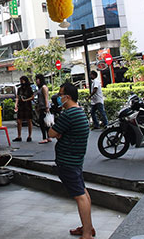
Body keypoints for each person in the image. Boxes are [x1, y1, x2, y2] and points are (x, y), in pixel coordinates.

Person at [48, 82, 94, 239]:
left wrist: (57, 132)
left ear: (67, 97)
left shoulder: (68, 115)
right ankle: (88, 227)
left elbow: (51, 133)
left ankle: (87, 234)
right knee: (83, 192)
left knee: (80, 196)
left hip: (68, 162)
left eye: (61, 95)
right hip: (76, 160)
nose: (59, 98)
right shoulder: (79, 113)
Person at [13, 75, 34, 142]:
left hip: (28, 106)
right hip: (21, 106)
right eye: (20, 81)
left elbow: (32, 97)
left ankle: (29, 136)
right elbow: (17, 97)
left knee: (29, 121)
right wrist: (16, 105)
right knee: (19, 121)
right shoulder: (19, 89)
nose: (21, 82)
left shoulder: (29, 89)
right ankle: (19, 136)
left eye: (22, 81)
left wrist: (26, 100)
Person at [34, 74, 51, 144]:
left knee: (42, 122)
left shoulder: (44, 87)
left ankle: (45, 138)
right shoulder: (40, 88)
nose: (36, 81)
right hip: (41, 107)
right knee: (45, 123)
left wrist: (47, 107)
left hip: (44, 107)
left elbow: (46, 98)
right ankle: (48, 137)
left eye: (37, 79)